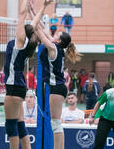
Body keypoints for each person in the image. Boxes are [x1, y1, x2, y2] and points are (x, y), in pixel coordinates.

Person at [3, 0, 53, 149]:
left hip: (12, 86)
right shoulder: (29, 44)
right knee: (20, 125)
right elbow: (34, 21)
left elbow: (22, 13)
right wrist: (44, 7)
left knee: (11, 127)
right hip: (20, 87)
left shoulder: (20, 41)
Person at [36, 8, 82, 148]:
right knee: (56, 122)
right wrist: (33, 10)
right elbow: (43, 28)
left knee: (55, 122)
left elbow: (38, 30)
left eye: (58, 34)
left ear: (59, 40)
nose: (55, 33)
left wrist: (33, 17)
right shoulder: (56, 47)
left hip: (56, 89)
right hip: (59, 88)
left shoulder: (52, 48)